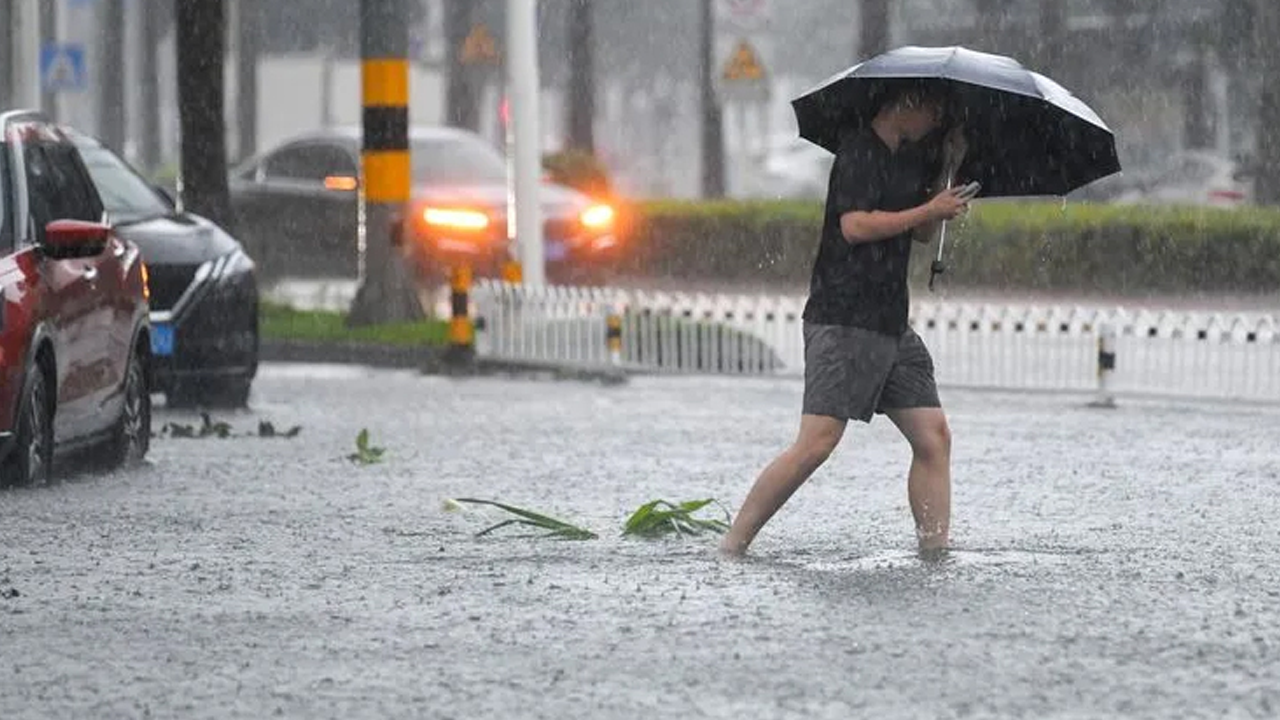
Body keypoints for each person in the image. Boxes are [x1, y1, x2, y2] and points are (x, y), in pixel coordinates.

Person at [719, 81, 970, 560]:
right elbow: (854, 226)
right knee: (816, 443)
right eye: (934, 116)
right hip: (843, 317)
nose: (935, 128)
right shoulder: (859, 151)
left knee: (933, 435)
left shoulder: (913, 159)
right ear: (906, 103)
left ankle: (935, 550)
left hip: (891, 322)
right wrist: (926, 207)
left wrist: (943, 187)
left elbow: (920, 232)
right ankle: (733, 543)